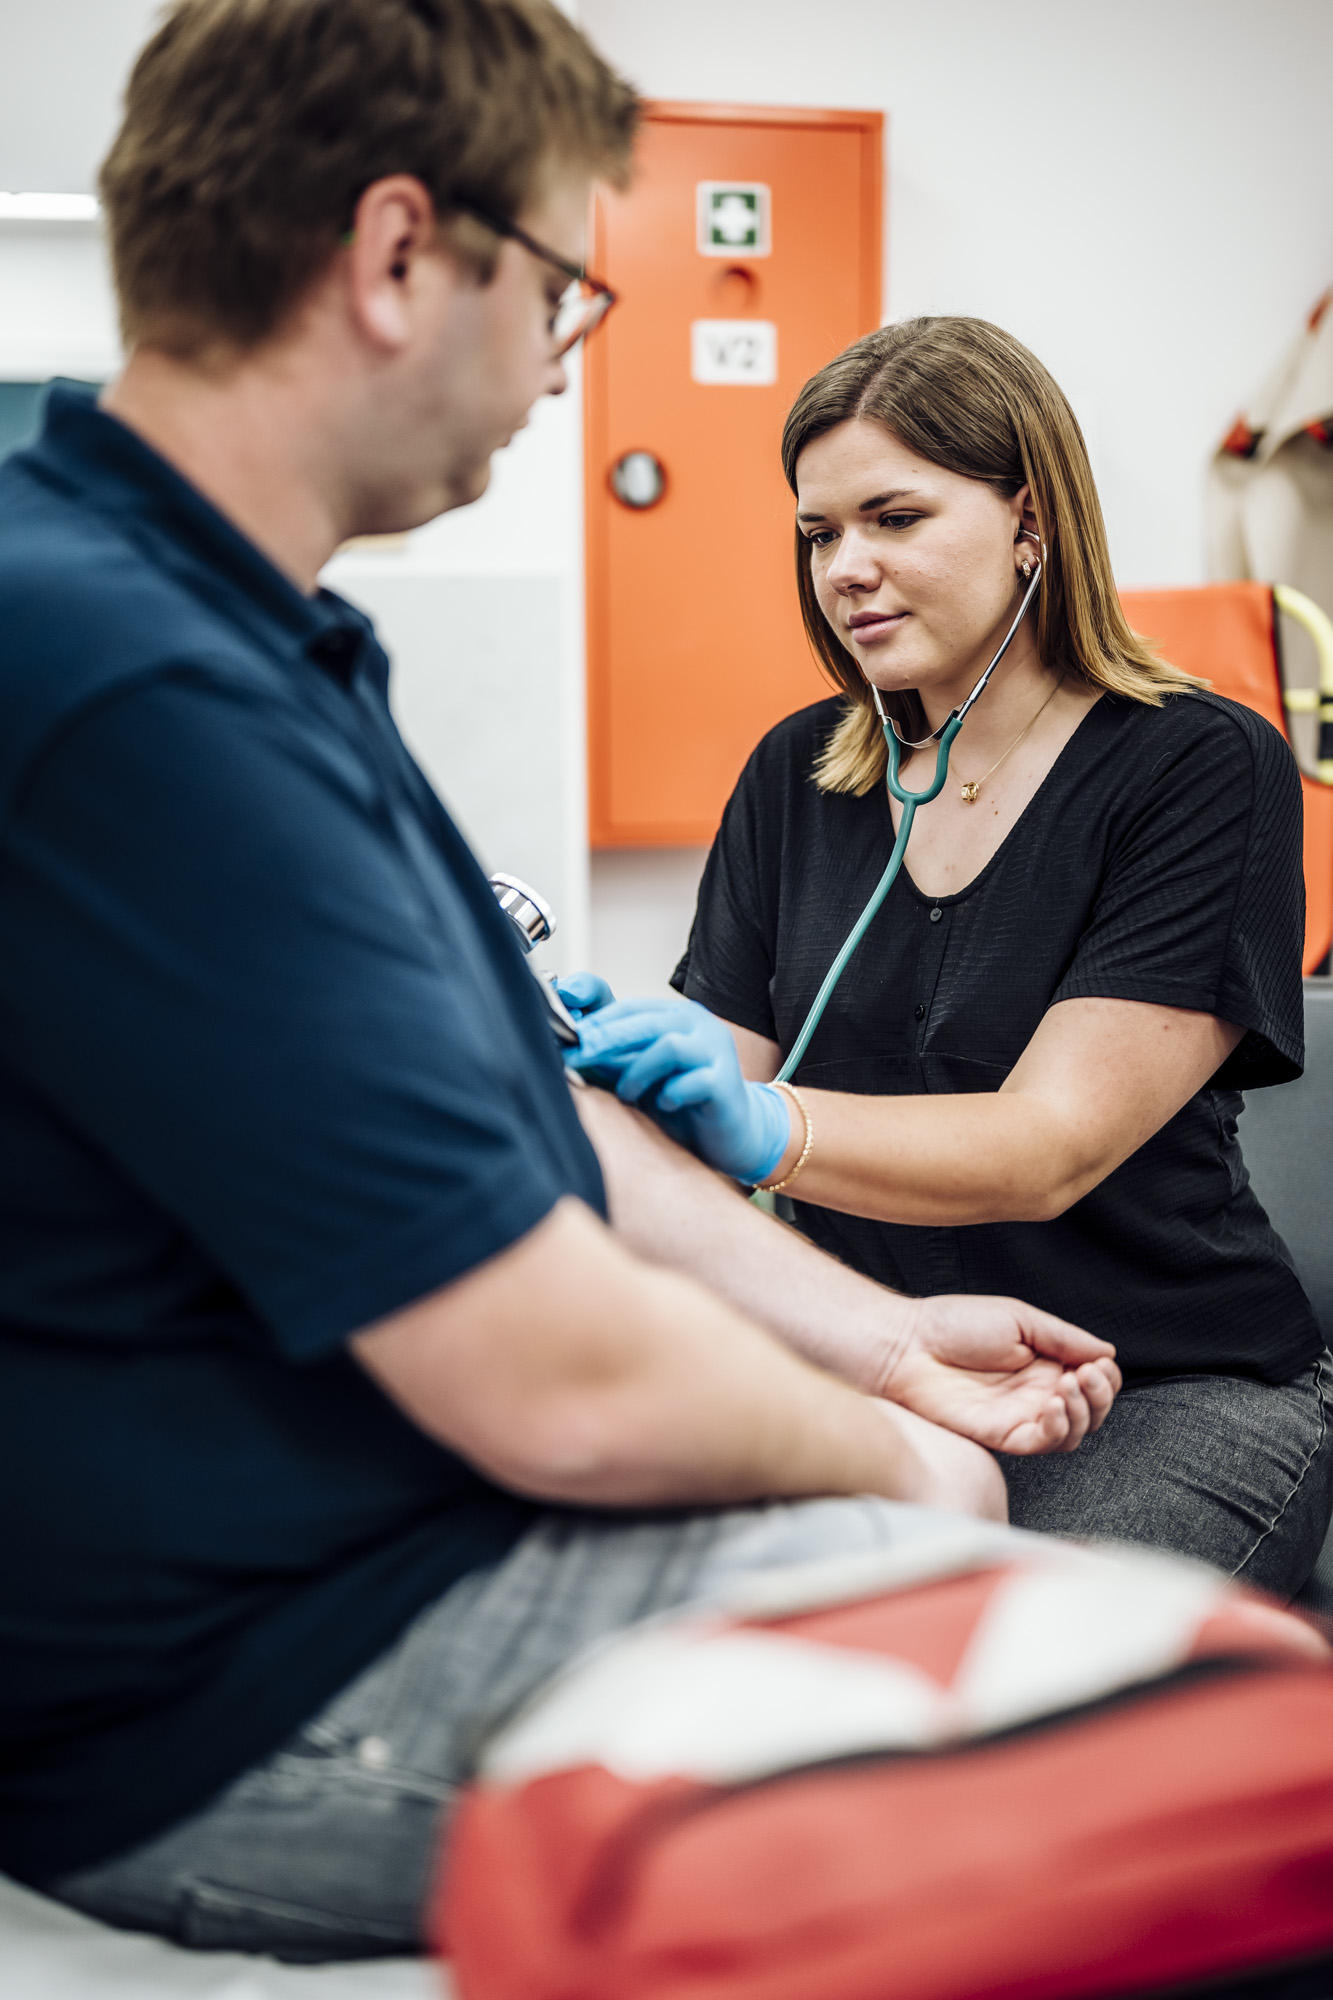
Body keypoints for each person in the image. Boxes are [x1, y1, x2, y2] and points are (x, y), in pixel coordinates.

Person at [0, 1, 1120, 1963]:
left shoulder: (257, 643)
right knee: (1153, 1746)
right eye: (558, 289)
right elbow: (555, 1382)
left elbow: (554, 1138)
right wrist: (902, 1455)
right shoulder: (135, 681)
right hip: (232, 1686)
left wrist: (876, 1344)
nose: (561, 357)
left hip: (357, 1542)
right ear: (397, 253)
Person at [568, 315, 1333, 1600]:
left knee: (988, 1660)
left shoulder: (1198, 765)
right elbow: (709, 1091)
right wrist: (607, 1081)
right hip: (884, 1364)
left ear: (1030, 518)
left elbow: (1047, 1147)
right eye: (819, 533)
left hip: (1150, 1383)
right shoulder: (796, 775)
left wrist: (763, 1123)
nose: (845, 568)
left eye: (895, 518)